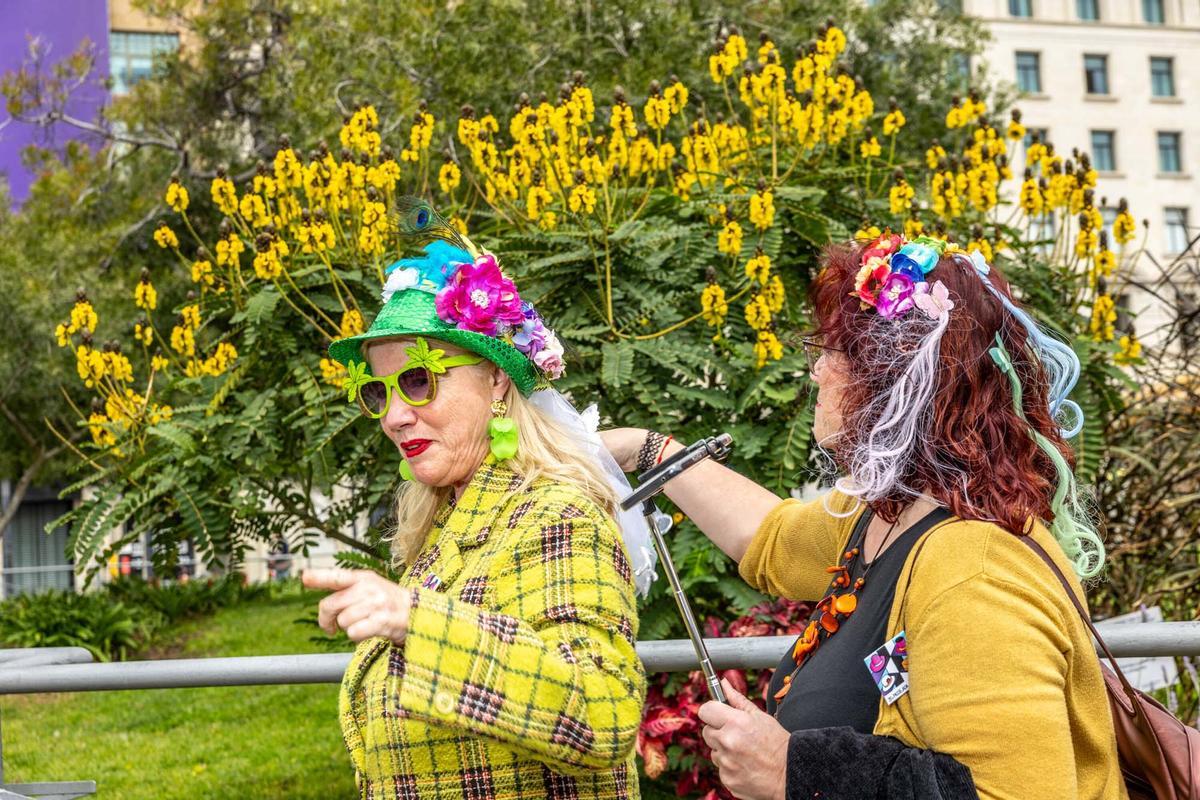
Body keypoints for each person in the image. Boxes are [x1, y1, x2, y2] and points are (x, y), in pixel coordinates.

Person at [603, 233, 1124, 800]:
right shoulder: (897, 516)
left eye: (832, 354)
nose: (816, 373)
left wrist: (792, 770)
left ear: (891, 382)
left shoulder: (973, 571)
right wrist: (644, 449)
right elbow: (770, 538)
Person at [304, 207, 654, 800]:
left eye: (418, 380)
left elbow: (604, 710)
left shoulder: (557, 513)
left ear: (496, 381)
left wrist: (415, 619)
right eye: (377, 391)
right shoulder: (448, 522)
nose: (392, 416)